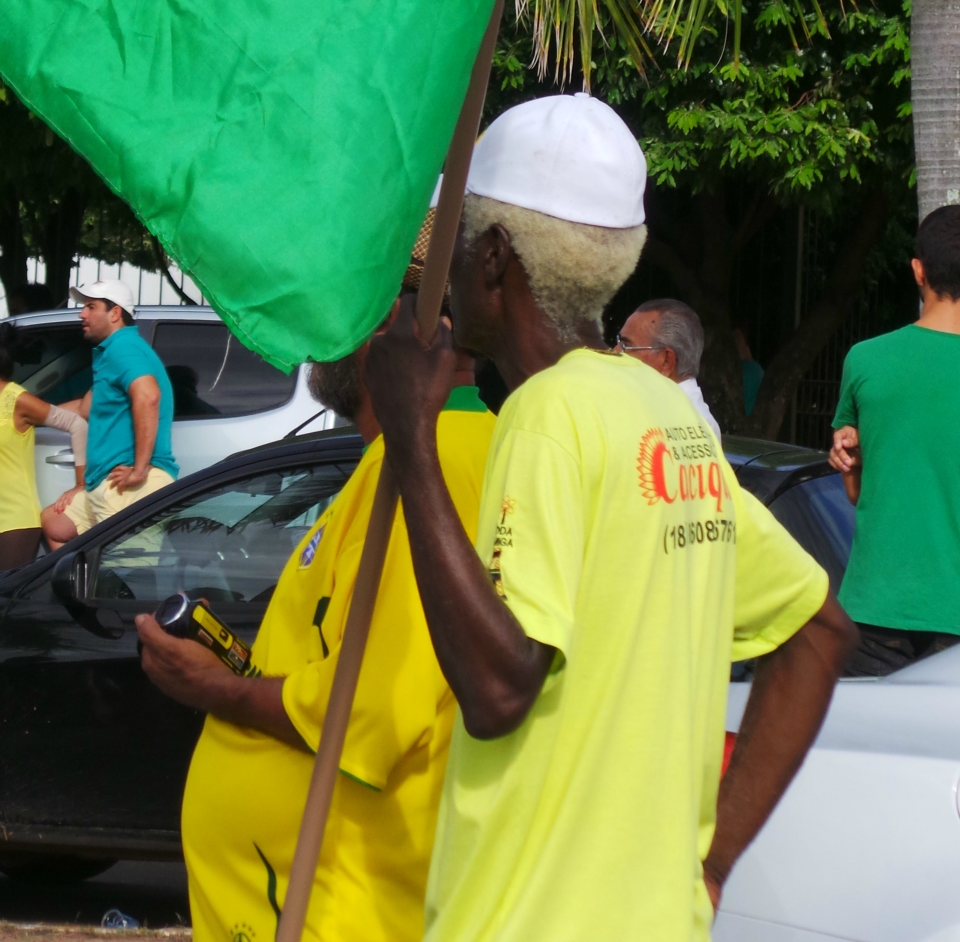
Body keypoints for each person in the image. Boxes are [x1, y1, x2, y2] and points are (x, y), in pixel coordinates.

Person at [364, 92, 856, 942]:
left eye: (451, 255)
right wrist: (711, 860)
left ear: (492, 258)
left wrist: (412, 444)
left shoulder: (550, 417)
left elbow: (499, 688)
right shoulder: (661, 409)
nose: (435, 284)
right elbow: (819, 632)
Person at [134, 242, 495, 942]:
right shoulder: (426, 454)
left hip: (339, 901)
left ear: (392, 324)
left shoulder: (431, 462)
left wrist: (219, 688)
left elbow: (372, 710)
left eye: (340, 310)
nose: (316, 339)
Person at [829, 204, 960, 676]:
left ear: (917, 270)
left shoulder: (866, 360)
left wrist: (853, 459)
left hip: (874, 605)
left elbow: (854, 491)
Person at [42, 279, 177, 545]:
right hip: (105, 484)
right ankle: (77, 587)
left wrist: (139, 470)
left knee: (126, 575)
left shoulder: (123, 348)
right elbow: (83, 408)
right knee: (55, 522)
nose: (82, 314)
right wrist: (24, 411)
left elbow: (149, 396)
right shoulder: (110, 355)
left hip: (128, 486)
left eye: (91, 307)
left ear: (115, 313)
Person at [0, 325, 88, 570]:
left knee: (7, 602)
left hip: (13, 522)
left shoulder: (16, 399)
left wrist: (80, 484)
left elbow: (76, 423)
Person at [618, 296, 721, 438]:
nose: (615, 351)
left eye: (627, 346)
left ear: (666, 361)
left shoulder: (675, 424)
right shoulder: (692, 419)